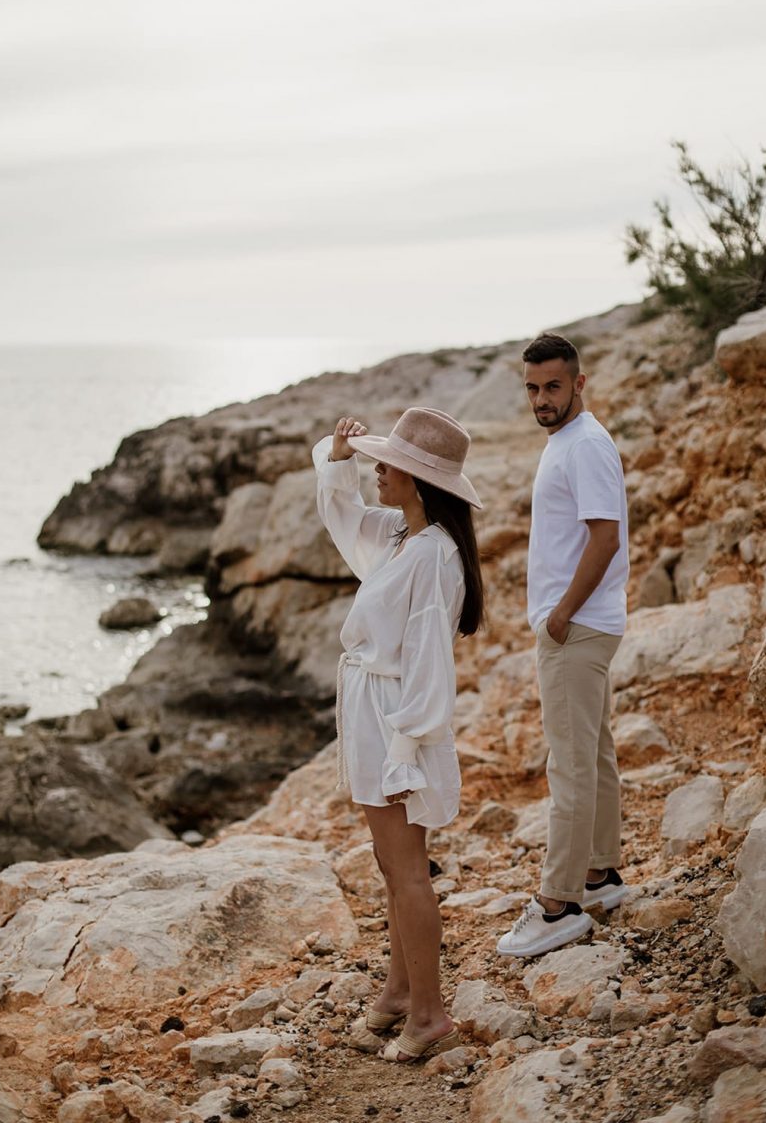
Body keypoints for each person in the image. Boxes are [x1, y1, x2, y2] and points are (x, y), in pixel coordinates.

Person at [313, 407, 484, 1062]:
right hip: (369, 711)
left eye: (387, 465)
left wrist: (410, 747)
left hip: (395, 722)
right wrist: (340, 454)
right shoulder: (396, 536)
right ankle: (398, 990)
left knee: (408, 869)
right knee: (390, 864)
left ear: (415, 479)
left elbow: (430, 665)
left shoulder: (436, 557)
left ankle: (430, 1012)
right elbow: (342, 516)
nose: (377, 471)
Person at [497, 333, 630, 959]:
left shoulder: (585, 446)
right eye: (532, 387)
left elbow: (604, 538)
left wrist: (561, 615)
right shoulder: (569, 442)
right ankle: (600, 875)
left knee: (570, 764)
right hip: (584, 624)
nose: (541, 399)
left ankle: (558, 905)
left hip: (576, 628)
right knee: (593, 753)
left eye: (553, 386)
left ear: (579, 383)